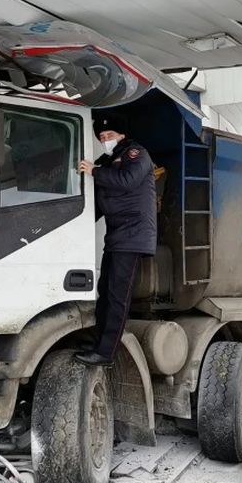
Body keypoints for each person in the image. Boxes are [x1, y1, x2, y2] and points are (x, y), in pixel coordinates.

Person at [76, 113, 157, 366]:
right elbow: (101, 198)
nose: (105, 140)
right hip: (117, 235)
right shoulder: (109, 160)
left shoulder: (136, 154)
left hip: (132, 235)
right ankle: (99, 343)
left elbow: (127, 181)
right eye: (101, 137)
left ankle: (106, 353)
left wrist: (95, 171)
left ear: (122, 135)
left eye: (109, 136)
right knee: (105, 292)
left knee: (117, 295)